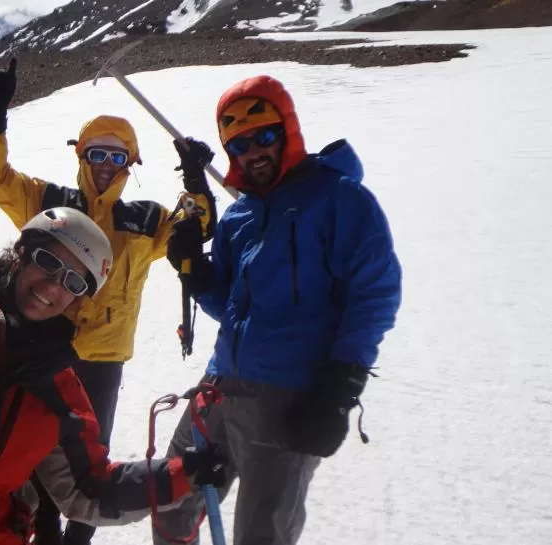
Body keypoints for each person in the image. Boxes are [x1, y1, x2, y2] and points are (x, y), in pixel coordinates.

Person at [0, 58, 218, 545]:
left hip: (104, 361)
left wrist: (196, 182)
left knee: (92, 458)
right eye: (97, 155)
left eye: (118, 157)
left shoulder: (148, 219)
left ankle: (77, 540)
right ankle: (40, 530)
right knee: (31, 447)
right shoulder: (50, 201)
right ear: (81, 156)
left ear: (131, 164)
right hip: (41, 353)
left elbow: (195, 229)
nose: (106, 167)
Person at [154, 75, 403, 545]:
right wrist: (197, 275)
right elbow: (231, 308)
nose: (253, 152)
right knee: (170, 501)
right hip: (220, 384)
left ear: (288, 129)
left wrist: (339, 387)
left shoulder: (340, 199)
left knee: (261, 534)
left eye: (264, 136)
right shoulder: (239, 217)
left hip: (288, 398)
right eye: (240, 144)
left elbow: (376, 293)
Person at [0, 206, 225, 545]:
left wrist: (184, 474)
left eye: (73, 282)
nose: (52, 287)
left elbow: (90, 488)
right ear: (23, 253)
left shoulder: (56, 389)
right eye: (49, 262)